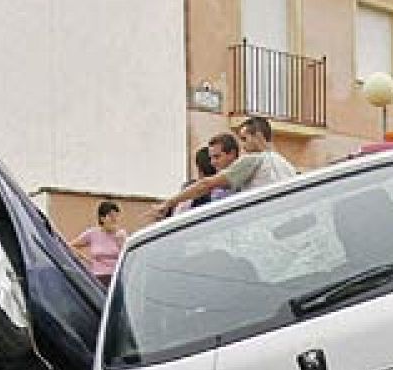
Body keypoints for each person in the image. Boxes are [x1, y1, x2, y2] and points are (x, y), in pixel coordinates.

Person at [151, 119, 296, 218]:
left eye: (244, 139)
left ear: (258, 136)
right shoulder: (287, 165)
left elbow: (205, 185)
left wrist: (169, 203)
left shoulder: (253, 160)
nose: (243, 146)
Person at [67, 200, 126, 284]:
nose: (115, 219)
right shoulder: (92, 233)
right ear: (102, 218)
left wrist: (120, 242)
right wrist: (85, 259)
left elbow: (125, 258)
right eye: (111, 216)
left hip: (116, 278)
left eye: (117, 216)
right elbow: (69, 246)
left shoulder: (121, 234)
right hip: (97, 277)